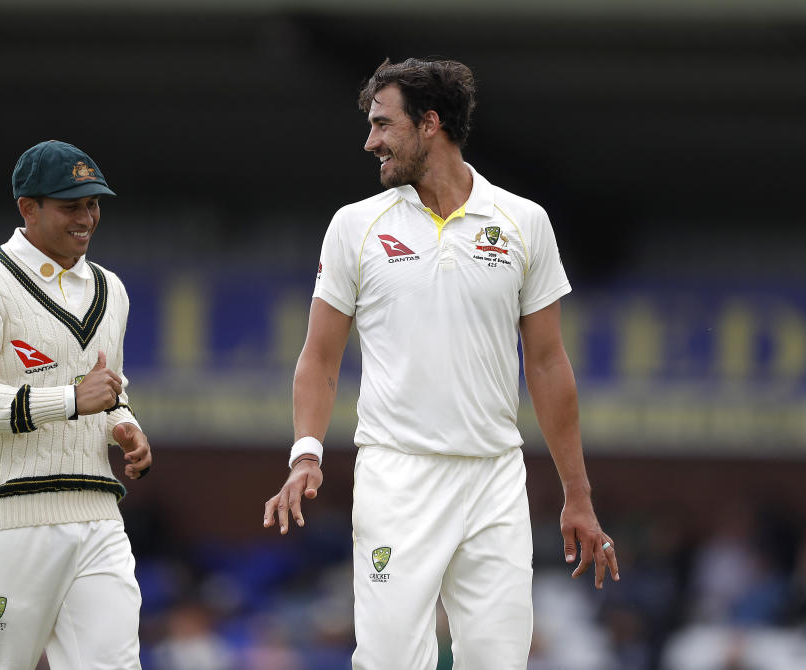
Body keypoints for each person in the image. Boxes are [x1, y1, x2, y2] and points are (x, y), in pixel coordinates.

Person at [263, 58, 620, 669]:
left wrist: (577, 496)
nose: (369, 140)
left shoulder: (523, 222)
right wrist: (306, 453)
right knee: (391, 661)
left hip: (494, 480)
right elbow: (320, 357)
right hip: (396, 476)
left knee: (499, 660)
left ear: (430, 124)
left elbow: (548, 364)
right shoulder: (355, 226)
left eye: (383, 125)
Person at [0, 139, 152, 669]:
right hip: (9, 518)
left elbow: (105, 391)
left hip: (98, 513)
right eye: (70, 205)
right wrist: (73, 401)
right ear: (28, 207)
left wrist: (123, 423)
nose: (87, 218)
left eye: (93, 204)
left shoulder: (110, 288)